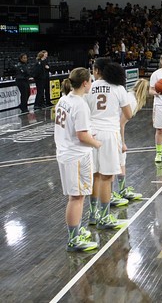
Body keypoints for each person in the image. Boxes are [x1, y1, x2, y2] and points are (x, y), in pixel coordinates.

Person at [54, 68, 101, 252]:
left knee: (75, 197)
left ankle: (76, 232)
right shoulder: (80, 104)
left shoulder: (64, 99)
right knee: (77, 198)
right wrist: (96, 143)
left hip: (65, 152)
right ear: (85, 83)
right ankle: (74, 240)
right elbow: (82, 136)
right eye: (90, 81)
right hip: (76, 155)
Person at [86, 58, 132, 228]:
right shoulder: (119, 88)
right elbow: (129, 113)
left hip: (91, 134)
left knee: (95, 176)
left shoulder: (89, 88)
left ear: (97, 71)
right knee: (107, 178)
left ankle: (92, 214)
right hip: (109, 134)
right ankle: (105, 217)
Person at [116, 79, 149, 202]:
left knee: (119, 161)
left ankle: (121, 189)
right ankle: (121, 190)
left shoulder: (129, 96)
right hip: (112, 130)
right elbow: (121, 124)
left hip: (109, 129)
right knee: (120, 160)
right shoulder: (133, 101)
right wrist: (122, 142)